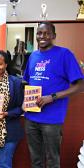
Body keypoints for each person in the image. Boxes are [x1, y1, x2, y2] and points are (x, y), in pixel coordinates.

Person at [23, 21, 84, 168]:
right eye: (39, 33)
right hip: (31, 117)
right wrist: (25, 101)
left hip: (52, 120)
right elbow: (26, 82)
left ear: (54, 36)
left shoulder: (64, 54)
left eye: (46, 33)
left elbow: (80, 85)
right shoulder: (33, 56)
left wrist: (52, 97)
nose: (42, 36)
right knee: (35, 161)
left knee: (52, 161)